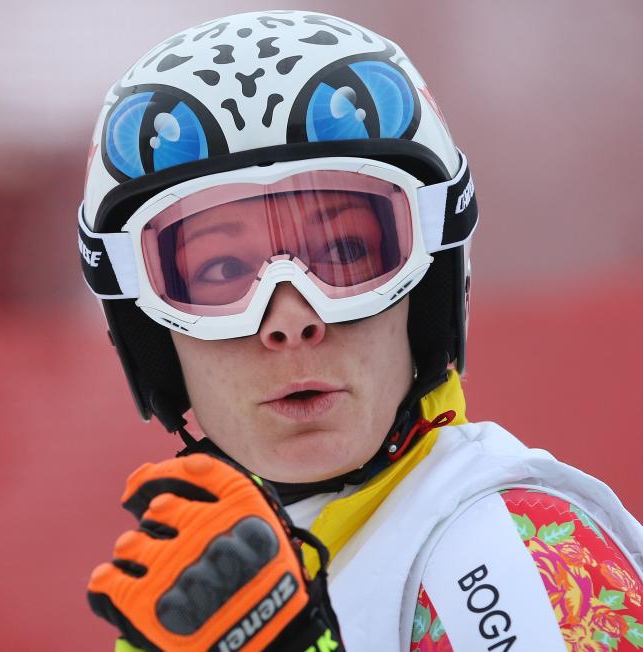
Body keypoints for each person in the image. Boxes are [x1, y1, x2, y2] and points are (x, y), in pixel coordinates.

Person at [77, 10, 643, 651]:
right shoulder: (191, 604)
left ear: (426, 288)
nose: (290, 319)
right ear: (151, 332)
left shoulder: (507, 544)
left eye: (344, 254)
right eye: (225, 270)